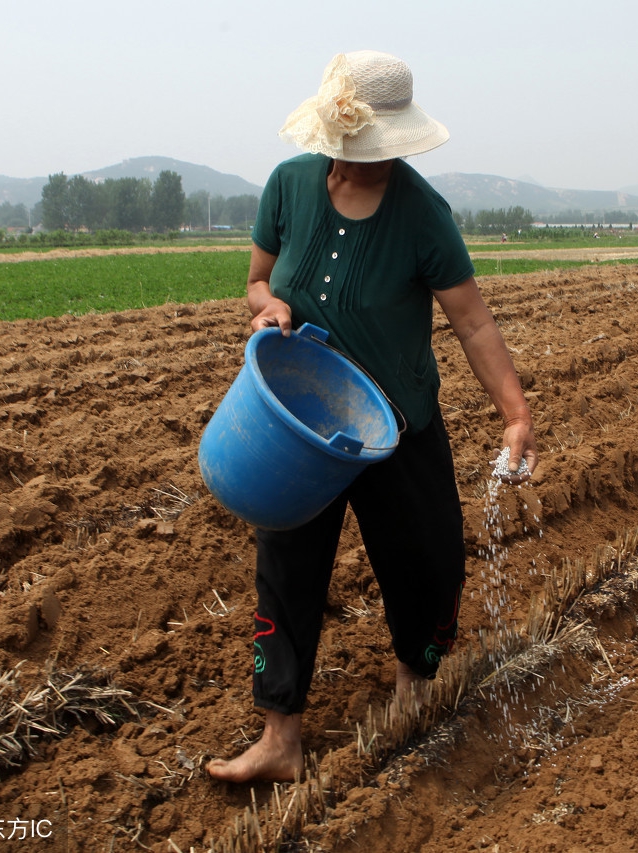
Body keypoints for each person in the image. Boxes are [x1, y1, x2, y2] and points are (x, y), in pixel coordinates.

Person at [207, 50, 539, 784]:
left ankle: (412, 692)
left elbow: (473, 324)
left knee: (428, 564)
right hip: (300, 423)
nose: (361, 162)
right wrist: (269, 309)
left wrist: (516, 416)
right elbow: (257, 280)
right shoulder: (289, 187)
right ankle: (280, 737)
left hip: (398, 425)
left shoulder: (423, 215)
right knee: (286, 570)